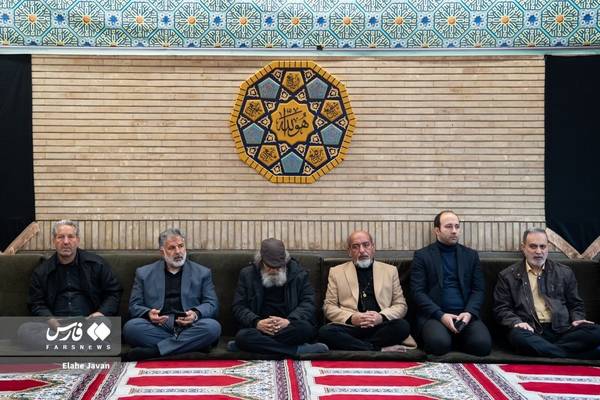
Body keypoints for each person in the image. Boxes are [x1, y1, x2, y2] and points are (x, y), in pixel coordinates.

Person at [493, 228, 600, 358]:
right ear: (523, 247)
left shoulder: (564, 272)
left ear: (547, 247)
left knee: (596, 331)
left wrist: (578, 319)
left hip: (563, 330)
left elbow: (576, 304)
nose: (538, 251)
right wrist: (516, 322)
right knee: (517, 336)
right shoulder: (507, 276)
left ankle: (547, 350)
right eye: (533, 246)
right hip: (530, 330)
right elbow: (502, 308)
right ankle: (576, 354)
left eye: (542, 246)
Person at [19, 219, 122, 348]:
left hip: (87, 322)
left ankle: (66, 346)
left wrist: (100, 313)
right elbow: (36, 303)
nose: (66, 242)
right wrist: (50, 320)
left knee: (103, 323)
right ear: (54, 241)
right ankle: (85, 346)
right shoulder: (42, 271)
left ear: (77, 240)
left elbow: (113, 292)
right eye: (60, 237)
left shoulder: (96, 264)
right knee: (25, 330)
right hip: (56, 326)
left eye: (70, 237)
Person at [122, 228, 221, 360]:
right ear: (162, 252)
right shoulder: (144, 273)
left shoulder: (202, 273)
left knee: (212, 327)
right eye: (172, 248)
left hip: (190, 326)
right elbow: (134, 306)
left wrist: (195, 314)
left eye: (181, 246)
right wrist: (148, 314)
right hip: (159, 327)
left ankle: (155, 351)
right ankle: (193, 345)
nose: (178, 251)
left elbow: (212, 304)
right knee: (131, 328)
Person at [411, 210, 491, 356]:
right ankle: (450, 338)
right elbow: (417, 293)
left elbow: (478, 290)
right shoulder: (422, 256)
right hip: (435, 316)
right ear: (437, 230)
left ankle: (457, 338)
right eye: (448, 226)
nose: (454, 231)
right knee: (438, 345)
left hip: (465, 315)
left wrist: (469, 313)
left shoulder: (471, 255)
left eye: (457, 226)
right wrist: (440, 315)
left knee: (482, 346)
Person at [230, 238, 328, 356]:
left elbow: (309, 303)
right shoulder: (247, 274)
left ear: (285, 261)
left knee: (305, 329)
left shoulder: (299, 273)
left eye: (278, 267)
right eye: (269, 266)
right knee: (243, 336)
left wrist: (289, 321)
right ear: (261, 261)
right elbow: (239, 306)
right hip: (260, 328)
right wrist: (257, 322)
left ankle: (253, 346)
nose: (274, 270)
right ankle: (297, 350)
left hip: (289, 327)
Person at [318, 230, 413, 351]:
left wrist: (381, 317)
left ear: (373, 247)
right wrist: (351, 318)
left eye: (366, 245)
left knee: (402, 326)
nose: (362, 250)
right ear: (349, 251)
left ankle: (358, 346)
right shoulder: (336, 272)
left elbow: (401, 305)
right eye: (355, 247)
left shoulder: (390, 271)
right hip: (351, 328)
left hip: (380, 327)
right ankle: (378, 349)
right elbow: (329, 307)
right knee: (325, 332)